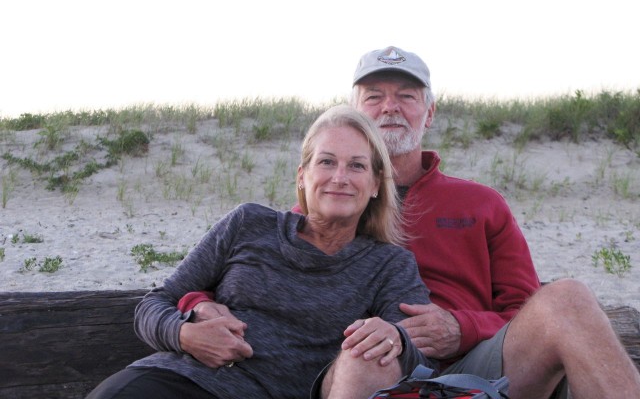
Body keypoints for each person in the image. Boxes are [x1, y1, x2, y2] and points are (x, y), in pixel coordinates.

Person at [186, 46, 640, 398]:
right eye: (375, 97)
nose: (390, 108)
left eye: (406, 96)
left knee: (568, 300)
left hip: (482, 369)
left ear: (430, 111)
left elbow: (524, 309)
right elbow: (244, 280)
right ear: (354, 113)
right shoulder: (329, 201)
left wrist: (460, 328)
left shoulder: (482, 204)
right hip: (374, 369)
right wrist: (197, 306)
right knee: (368, 352)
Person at [86, 105, 436, 399]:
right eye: (326, 162)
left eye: (356, 166)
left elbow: (421, 359)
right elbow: (155, 302)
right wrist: (185, 334)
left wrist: (398, 338)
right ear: (302, 176)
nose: (340, 177)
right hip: (183, 380)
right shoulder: (249, 223)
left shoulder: (390, 264)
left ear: (376, 184)